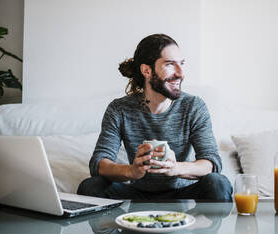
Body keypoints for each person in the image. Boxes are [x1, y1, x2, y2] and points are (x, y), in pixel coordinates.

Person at [77, 34, 232, 201]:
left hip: (182, 194)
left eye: (181, 64)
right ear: (147, 70)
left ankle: (204, 227)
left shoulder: (193, 106)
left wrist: (176, 168)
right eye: (170, 64)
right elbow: (99, 164)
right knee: (90, 186)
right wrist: (131, 171)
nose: (180, 73)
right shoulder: (119, 109)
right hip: (137, 194)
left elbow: (212, 163)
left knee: (218, 183)